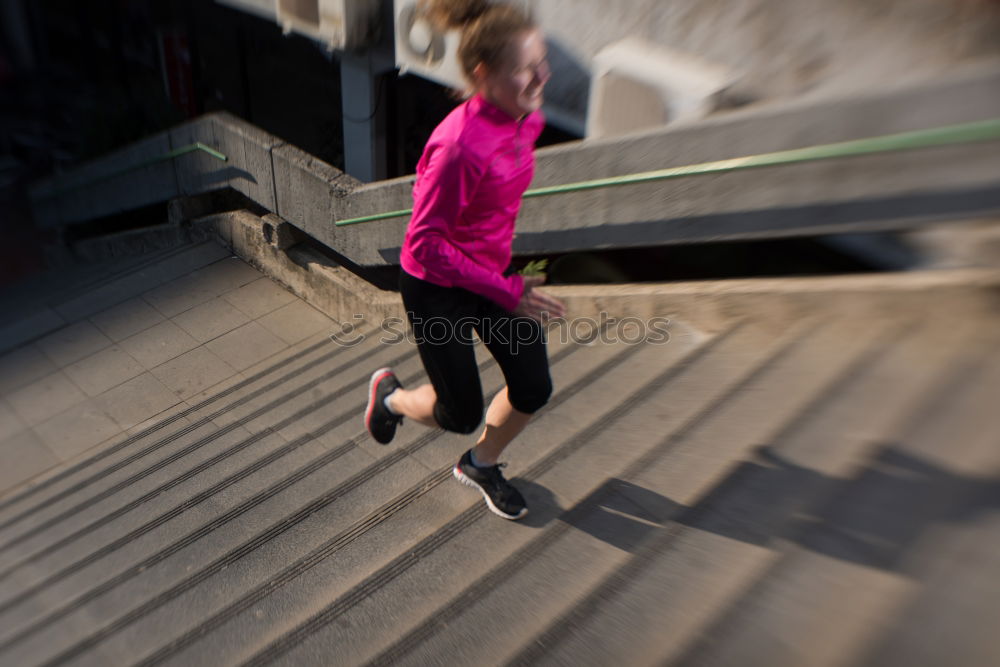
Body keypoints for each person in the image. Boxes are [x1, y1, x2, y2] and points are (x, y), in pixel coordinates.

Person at [364, 0, 566, 520]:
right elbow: (427, 243)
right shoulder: (458, 147)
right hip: (436, 287)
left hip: (492, 276)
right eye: (526, 67)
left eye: (541, 60)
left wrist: (502, 277)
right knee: (460, 411)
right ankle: (389, 398)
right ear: (484, 74)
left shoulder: (527, 119)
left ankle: (480, 463)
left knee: (533, 385)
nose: (542, 74)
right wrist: (507, 289)